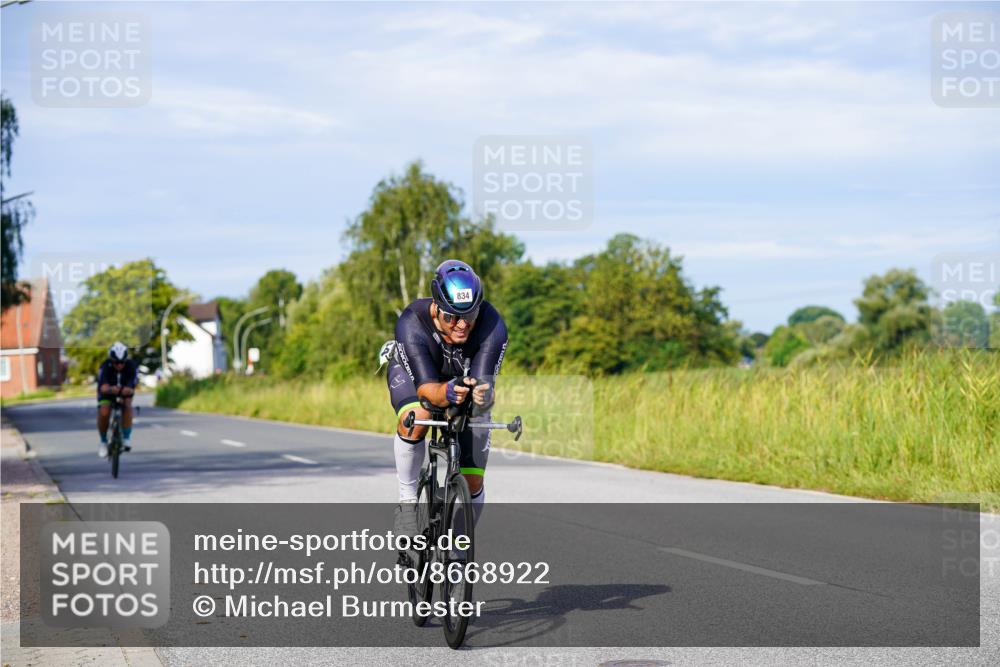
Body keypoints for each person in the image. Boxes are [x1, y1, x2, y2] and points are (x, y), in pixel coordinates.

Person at [385, 260, 508, 537]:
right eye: (452, 317)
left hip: (460, 379)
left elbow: (484, 387)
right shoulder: (412, 322)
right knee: (418, 416)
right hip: (417, 377)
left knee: (473, 481)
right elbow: (427, 390)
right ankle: (407, 504)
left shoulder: (492, 325)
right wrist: (448, 392)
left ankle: (458, 547)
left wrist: (481, 395)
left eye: (470, 314)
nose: (462, 325)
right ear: (436, 306)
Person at [97, 341, 138, 458]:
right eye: (116, 362)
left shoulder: (131, 365)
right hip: (108, 392)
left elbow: (131, 386)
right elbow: (103, 387)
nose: (120, 365)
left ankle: (126, 438)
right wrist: (111, 389)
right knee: (104, 411)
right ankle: (103, 441)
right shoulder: (105, 366)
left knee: (127, 405)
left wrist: (126, 390)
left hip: (124, 391)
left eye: (122, 362)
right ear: (111, 360)